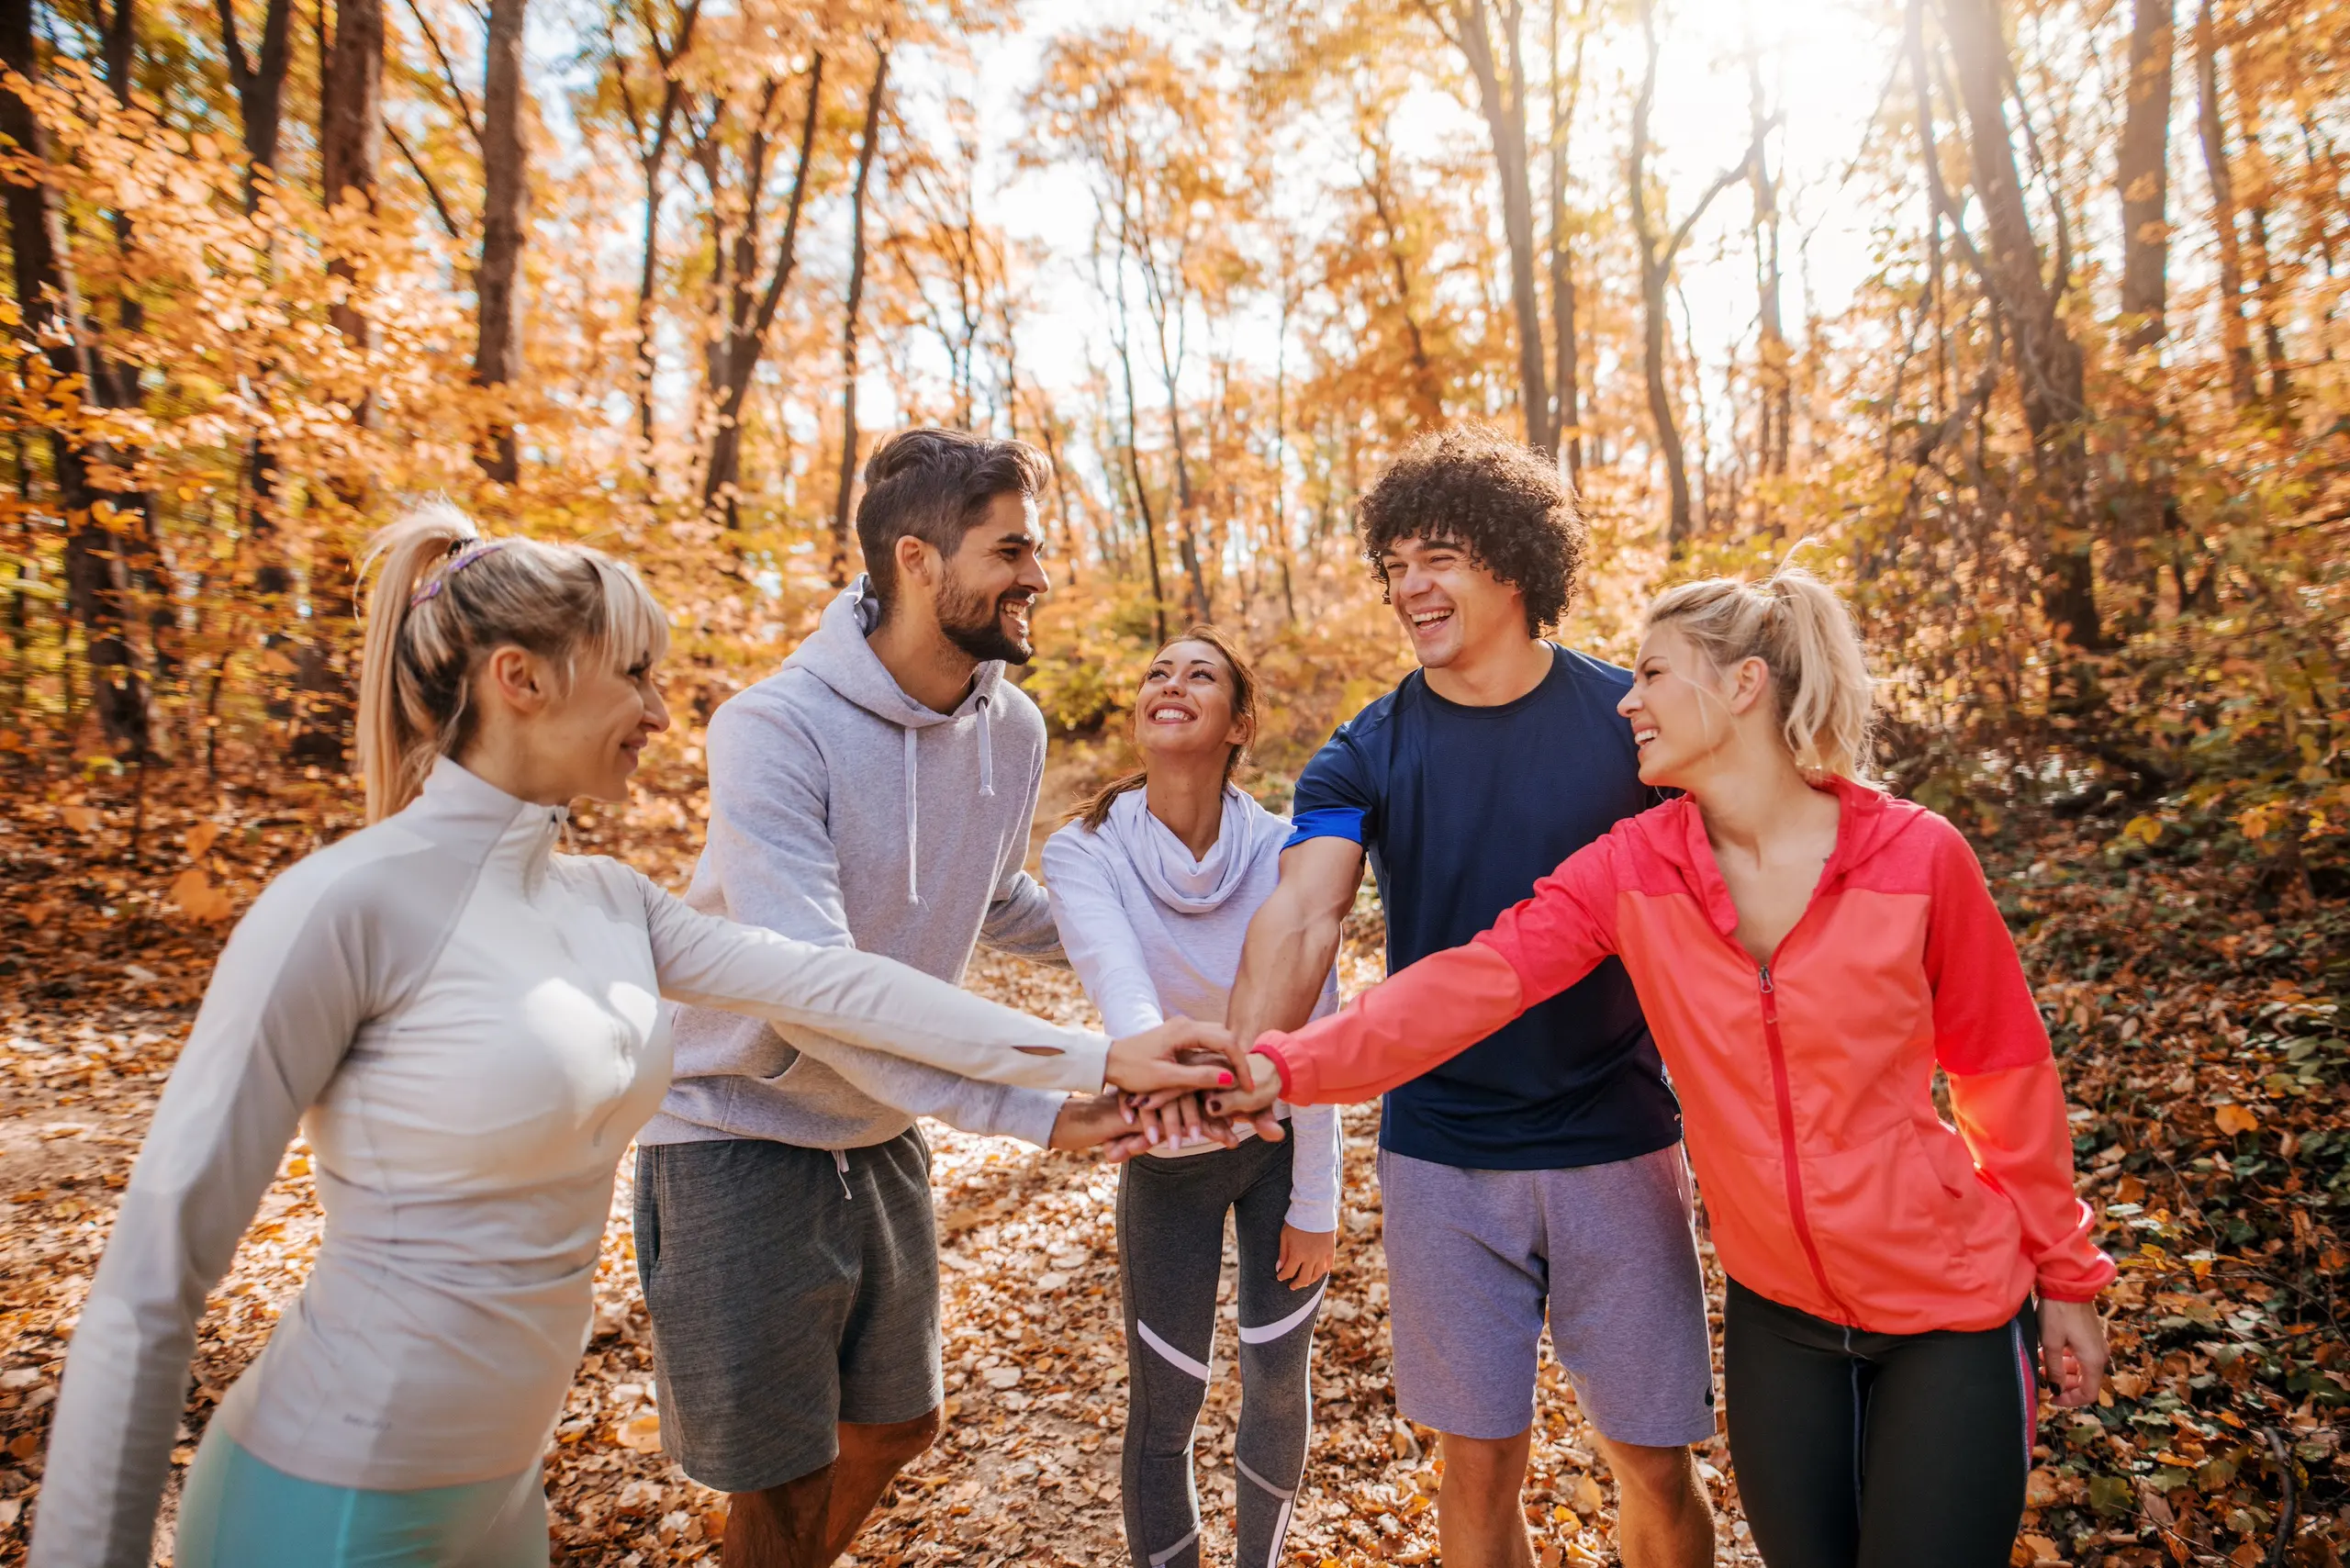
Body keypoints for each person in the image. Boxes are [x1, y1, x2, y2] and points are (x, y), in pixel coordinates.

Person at [28, 507, 1239, 1568]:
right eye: (635, 676)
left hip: (501, 1506)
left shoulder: (608, 903)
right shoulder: (343, 909)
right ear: (521, 680)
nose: (664, 712)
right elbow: (146, 1290)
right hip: (328, 1497)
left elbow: (834, 987)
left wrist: (1094, 1063)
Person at [1214, 562, 2116, 1568]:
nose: (1626, 701)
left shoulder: (1914, 855)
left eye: (1650, 675)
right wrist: (1281, 1065)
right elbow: (1466, 986)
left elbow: (2003, 1075)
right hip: (1782, 1320)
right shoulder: (1634, 865)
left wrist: (2065, 1275)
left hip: (1950, 1307)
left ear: (1742, 686)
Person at [1206, 427, 1718, 1568]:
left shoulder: (1629, 724)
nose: (1407, 587)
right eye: (1391, 565)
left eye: (1433, 556)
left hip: (1615, 1136)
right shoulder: (1363, 751)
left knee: (1651, 1457)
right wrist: (1242, 1066)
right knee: (1476, 1460)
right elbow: (1301, 917)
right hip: (1441, 1151)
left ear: (1512, 561)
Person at [635, 428, 1137, 1568]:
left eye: (1038, 546)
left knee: (900, 1423)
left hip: (879, 1125)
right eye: (1010, 550)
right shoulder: (774, 728)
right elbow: (812, 988)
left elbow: (993, 896)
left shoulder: (1010, 724)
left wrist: (1158, 941)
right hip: (736, 1128)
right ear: (917, 559)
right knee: (784, 1475)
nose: (1039, 577)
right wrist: (1039, 1099)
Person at [1042, 628, 1342, 1568]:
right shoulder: (1083, 848)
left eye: (1199, 674)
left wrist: (1318, 1205)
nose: (1170, 684)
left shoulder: (1289, 850)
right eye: (1155, 672)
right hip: (1162, 1157)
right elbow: (1119, 984)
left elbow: (1313, 1036)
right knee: (1165, 1405)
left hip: (1277, 1148)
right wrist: (1156, 1073)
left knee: (1275, 1383)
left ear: (1238, 723)